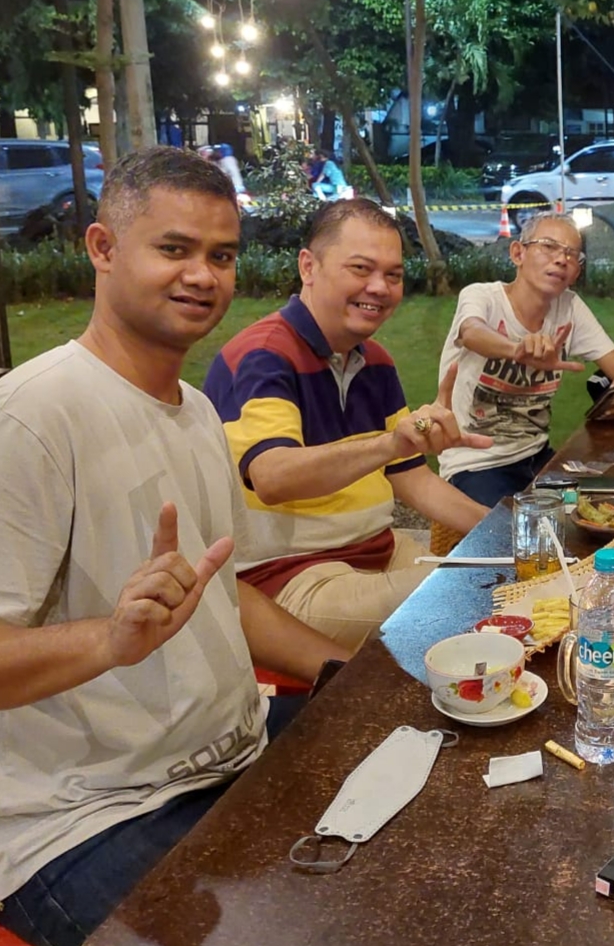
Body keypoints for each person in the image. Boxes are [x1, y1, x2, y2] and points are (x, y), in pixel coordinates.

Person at [0, 146, 359, 946]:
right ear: (102, 248)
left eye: (221, 255)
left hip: (230, 750)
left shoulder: (194, 411)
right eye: (174, 248)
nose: (202, 275)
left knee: (431, 786)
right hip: (77, 821)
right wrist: (108, 639)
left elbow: (223, 592)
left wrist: (348, 673)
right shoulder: (24, 424)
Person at [205, 199, 489, 649]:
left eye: (393, 275)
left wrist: (510, 532)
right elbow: (273, 476)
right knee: (475, 598)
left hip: (379, 548)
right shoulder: (264, 356)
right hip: (287, 577)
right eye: (361, 269)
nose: (379, 287)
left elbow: (413, 478)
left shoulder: (374, 361)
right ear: (308, 266)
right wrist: (389, 444)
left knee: (505, 574)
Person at [438, 213, 614, 507]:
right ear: (517, 253)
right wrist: (516, 350)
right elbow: (472, 332)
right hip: (476, 464)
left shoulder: (569, 307)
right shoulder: (483, 297)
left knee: (610, 507)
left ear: (576, 272)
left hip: (538, 456)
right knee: (525, 529)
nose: (561, 259)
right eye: (548, 246)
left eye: (572, 254)